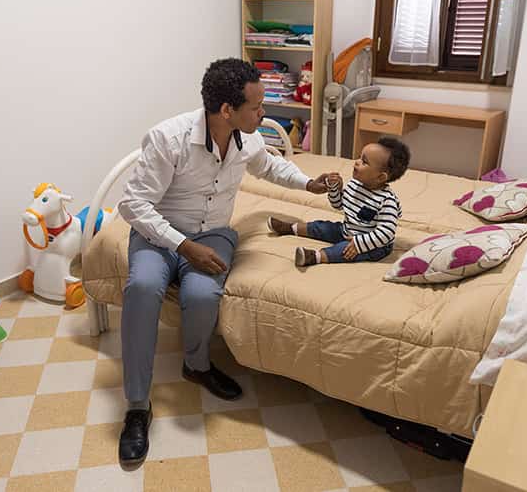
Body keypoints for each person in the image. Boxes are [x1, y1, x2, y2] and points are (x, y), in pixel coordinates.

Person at [116, 57, 331, 465]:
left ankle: (196, 365)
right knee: (142, 288)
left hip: (212, 233)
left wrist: (309, 183)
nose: (263, 113)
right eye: (257, 106)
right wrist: (183, 246)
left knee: (201, 295)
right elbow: (133, 204)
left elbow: (271, 166)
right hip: (157, 233)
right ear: (227, 110)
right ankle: (136, 405)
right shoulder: (168, 139)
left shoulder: (247, 139)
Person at [268, 137, 410, 266]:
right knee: (321, 227)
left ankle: (315, 257)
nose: (357, 162)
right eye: (360, 158)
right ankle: (290, 228)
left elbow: (386, 234)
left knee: (343, 251)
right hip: (346, 229)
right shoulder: (355, 185)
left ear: (380, 177)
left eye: (364, 162)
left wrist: (359, 244)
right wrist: (334, 189)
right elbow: (338, 205)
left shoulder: (387, 201)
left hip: (374, 246)